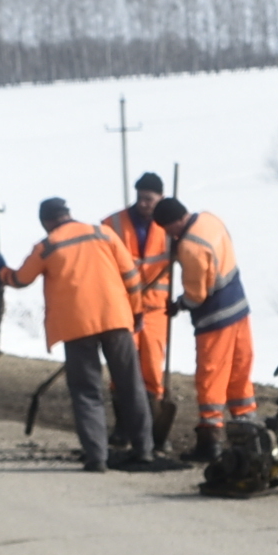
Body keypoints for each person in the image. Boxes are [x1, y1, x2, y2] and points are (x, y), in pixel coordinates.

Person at [0, 199, 156, 473]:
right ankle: (145, 450)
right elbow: (131, 276)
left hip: (76, 327)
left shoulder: (48, 246)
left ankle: (97, 458)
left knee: (87, 392)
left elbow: (20, 280)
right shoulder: (103, 233)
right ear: (68, 214)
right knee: (130, 385)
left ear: (46, 221)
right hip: (116, 318)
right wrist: (136, 313)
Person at [155, 197, 252, 461]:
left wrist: (179, 305)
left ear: (174, 223)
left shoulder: (190, 247)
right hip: (239, 307)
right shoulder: (210, 219)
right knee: (239, 369)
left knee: (211, 376)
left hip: (215, 317)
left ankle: (210, 439)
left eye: (167, 229)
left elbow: (197, 294)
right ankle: (248, 429)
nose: (168, 235)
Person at [103, 172, 179, 456]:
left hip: (157, 309)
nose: (144, 203)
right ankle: (123, 428)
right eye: (141, 197)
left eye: (150, 198)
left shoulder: (170, 226)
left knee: (152, 370)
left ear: (160, 198)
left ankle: (152, 431)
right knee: (121, 367)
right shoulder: (113, 223)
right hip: (122, 306)